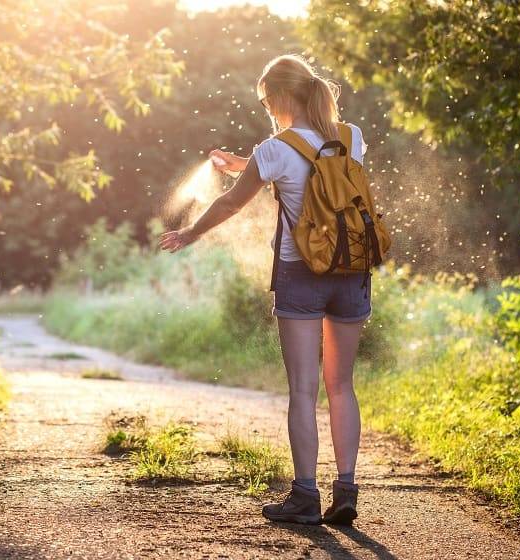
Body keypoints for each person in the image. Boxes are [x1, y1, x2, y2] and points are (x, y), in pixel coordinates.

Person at [159, 54, 369, 526]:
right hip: (353, 270)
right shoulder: (353, 137)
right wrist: (248, 163)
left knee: (302, 388)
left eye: (265, 101)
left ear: (278, 97)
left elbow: (234, 203)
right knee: (341, 385)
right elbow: (315, 168)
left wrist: (190, 233)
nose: (266, 110)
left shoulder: (274, 148)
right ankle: (348, 488)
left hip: (303, 274)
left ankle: (304, 496)